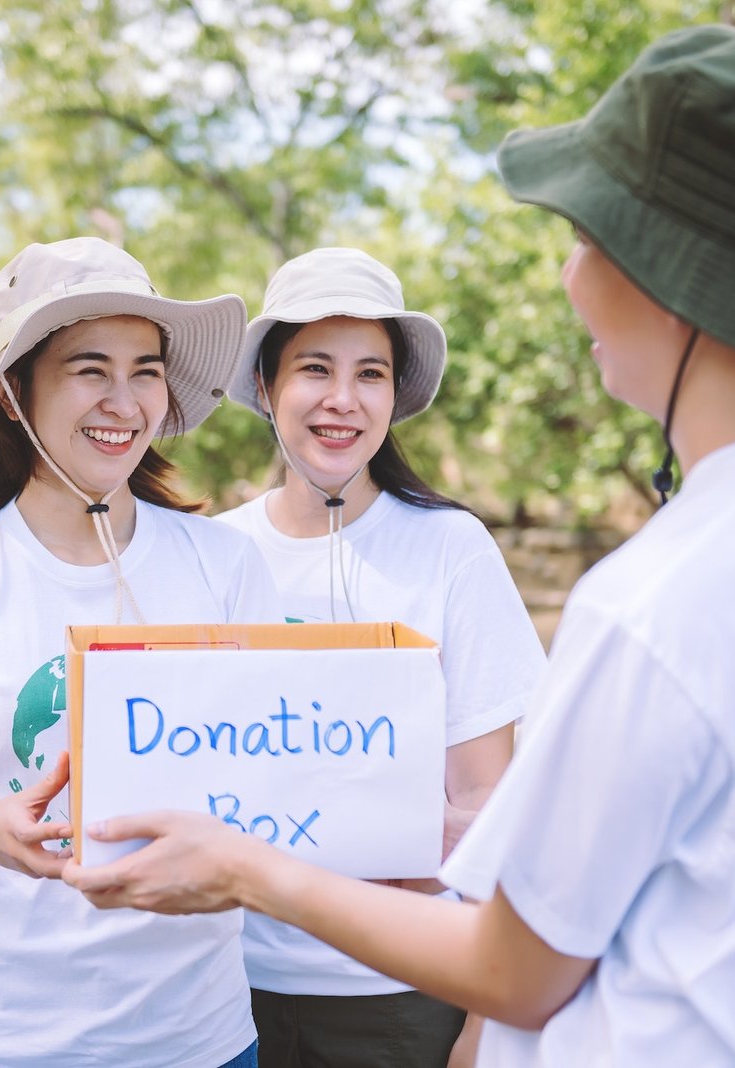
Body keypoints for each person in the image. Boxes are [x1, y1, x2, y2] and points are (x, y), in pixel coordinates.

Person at [62, 24, 735, 1067]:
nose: (573, 278)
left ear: (662, 272)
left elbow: (519, 973)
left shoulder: (658, 604)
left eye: (584, 235)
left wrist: (249, 870)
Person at [0, 237, 275, 1068]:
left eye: (145, 369)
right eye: (88, 367)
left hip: (197, 1038)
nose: (125, 399)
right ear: (13, 394)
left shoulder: (227, 563)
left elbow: (268, 773)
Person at [215, 246, 545, 1066]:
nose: (341, 400)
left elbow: (486, 804)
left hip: (398, 993)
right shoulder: (214, 554)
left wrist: (482, 1023)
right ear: (266, 386)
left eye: (370, 374)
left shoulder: (450, 548)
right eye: (314, 368)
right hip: (223, 996)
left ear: (395, 395)